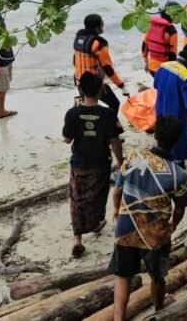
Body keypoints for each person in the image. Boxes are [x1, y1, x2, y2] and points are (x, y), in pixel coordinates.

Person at [110, 115, 187, 318]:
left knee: (123, 276)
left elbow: (117, 192)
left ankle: (118, 318)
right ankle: (158, 310)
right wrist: (173, 225)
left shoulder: (133, 157)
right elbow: (179, 208)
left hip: (126, 227)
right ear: (177, 140)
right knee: (157, 276)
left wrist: (116, 213)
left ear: (155, 135)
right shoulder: (178, 174)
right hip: (156, 234)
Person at [62, 72, 125, 257]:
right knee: (99, 195)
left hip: (79, 162)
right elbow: (115, 141)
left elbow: (67, 139)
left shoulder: (72, 113)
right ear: (101, 90)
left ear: (80, 90)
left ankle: (77, 238)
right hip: (100, 161)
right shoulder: (107, 113)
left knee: (76, 199)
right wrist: (121, 162)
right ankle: (97, 222)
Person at [153, 43, 187, 168]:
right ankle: (178, 170)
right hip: (177, 119)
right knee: (179, 149)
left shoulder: (163, 66)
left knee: (163, 145)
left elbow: (156, 85)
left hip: (160, 114)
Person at [73, 14, 131, 113]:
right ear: (97, 27)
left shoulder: (79, 39)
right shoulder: (99, 44)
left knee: (85, 106)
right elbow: (107, 68)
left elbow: (75, 61)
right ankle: (109, 126)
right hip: (94, 83)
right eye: (102, 23)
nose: (103, 25)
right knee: (114, 103)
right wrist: (121, 85)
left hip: (79, 80)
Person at [142, 5, 179, 78]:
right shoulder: (171, 31)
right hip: (165, 69)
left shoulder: (151, 26)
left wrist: (146, 63)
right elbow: (173, 53)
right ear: (171, 16)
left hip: (152, 67)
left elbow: (144, 47)